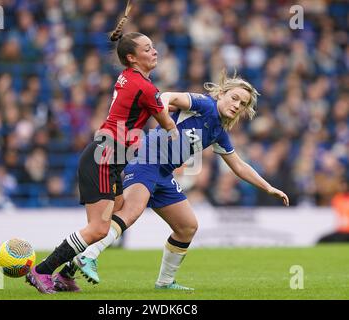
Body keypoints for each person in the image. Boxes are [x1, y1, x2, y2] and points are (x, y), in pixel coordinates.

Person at [64, 70, 290, 291]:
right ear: (221, 94)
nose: (237, 105)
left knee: (187, 227)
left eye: (242, 104)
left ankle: (164, 282)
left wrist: (268, 187)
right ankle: (88, 256)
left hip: (164, 174)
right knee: (131, 212)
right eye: (234, 98)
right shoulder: (204, 104)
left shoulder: (218, 132)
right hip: (147, 160)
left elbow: (239, 165)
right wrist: (163, 113)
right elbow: (166, 96)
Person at [25, 4, 178, 294]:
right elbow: (168, 124)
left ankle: (67, 274)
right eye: (147, 48)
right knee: (100, 228)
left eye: (154, 46)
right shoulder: (146, 88)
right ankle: (42, 271)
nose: (154, 51)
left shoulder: (131, 78)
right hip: (105, 157)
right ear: (132, 58)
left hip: (109, 156)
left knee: (117, 217)